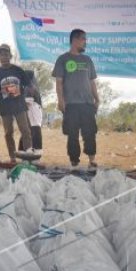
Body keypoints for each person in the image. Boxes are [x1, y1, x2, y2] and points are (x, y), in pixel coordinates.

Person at [53, 29, 99, 169]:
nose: (85, 42)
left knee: (90, 133)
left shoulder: (87, 60)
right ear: (75, 40)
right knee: (72, 135)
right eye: (83, 39)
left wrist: (97, 99)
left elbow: (92, 82)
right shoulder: (63, 59)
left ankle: (92, 160)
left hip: (87, 103)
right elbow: (59, 82)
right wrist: (61, 101)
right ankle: (74, 162)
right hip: (71, 104)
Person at [0, 43, 33, 164]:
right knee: (8, 133)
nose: (4, 57)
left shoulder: (18, 70)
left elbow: (29, 85)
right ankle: (12, 158)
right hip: (5, 108)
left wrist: (28, 98)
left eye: (6, 54)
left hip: (19, 106)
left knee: (25, 131)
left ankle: (28, 157)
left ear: (10, 56)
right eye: (1, 55)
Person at [19, 69, 43, 155]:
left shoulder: (30, 88)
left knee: (34, 131)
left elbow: (28, 102)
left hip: (33, 111)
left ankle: (36, 152)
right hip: (33, 111)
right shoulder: (29, 86)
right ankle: (24, 151)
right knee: (28, 131)